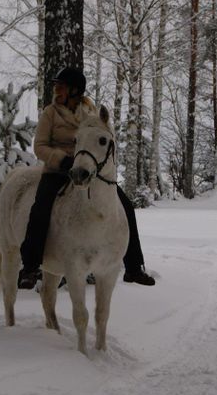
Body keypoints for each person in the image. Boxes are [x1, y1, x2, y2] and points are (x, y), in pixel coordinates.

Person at [17, 67, 156, 289]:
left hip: (88, 171)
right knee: (40, 208)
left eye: (61, 86)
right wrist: (61, 160)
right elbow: (40, 147)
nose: (57, 90)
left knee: (126, 206)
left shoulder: (90, 112)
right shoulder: (50, 113)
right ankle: (31, 266)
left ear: (75, 90)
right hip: (57, 170)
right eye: (57, 86)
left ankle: (133, 267)